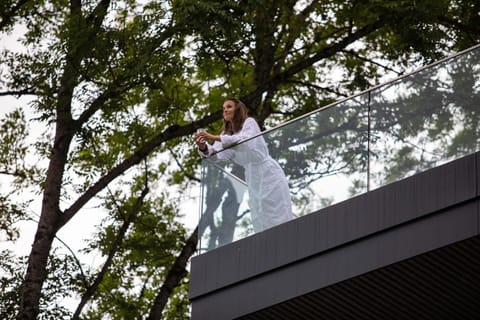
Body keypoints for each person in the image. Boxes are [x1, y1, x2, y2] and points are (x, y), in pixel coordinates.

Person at [195, 98, 293, 232]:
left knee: (276, 209)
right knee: (259, 213)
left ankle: (286, 237)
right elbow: (216, 156)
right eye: (223, 108)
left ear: (237, 109)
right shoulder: (225, 134)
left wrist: (212, 137)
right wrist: (203, 147)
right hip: (252, 177)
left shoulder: (249, 123)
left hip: (268, 172)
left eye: (229, 107)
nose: (225, 110)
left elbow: (245, 142)